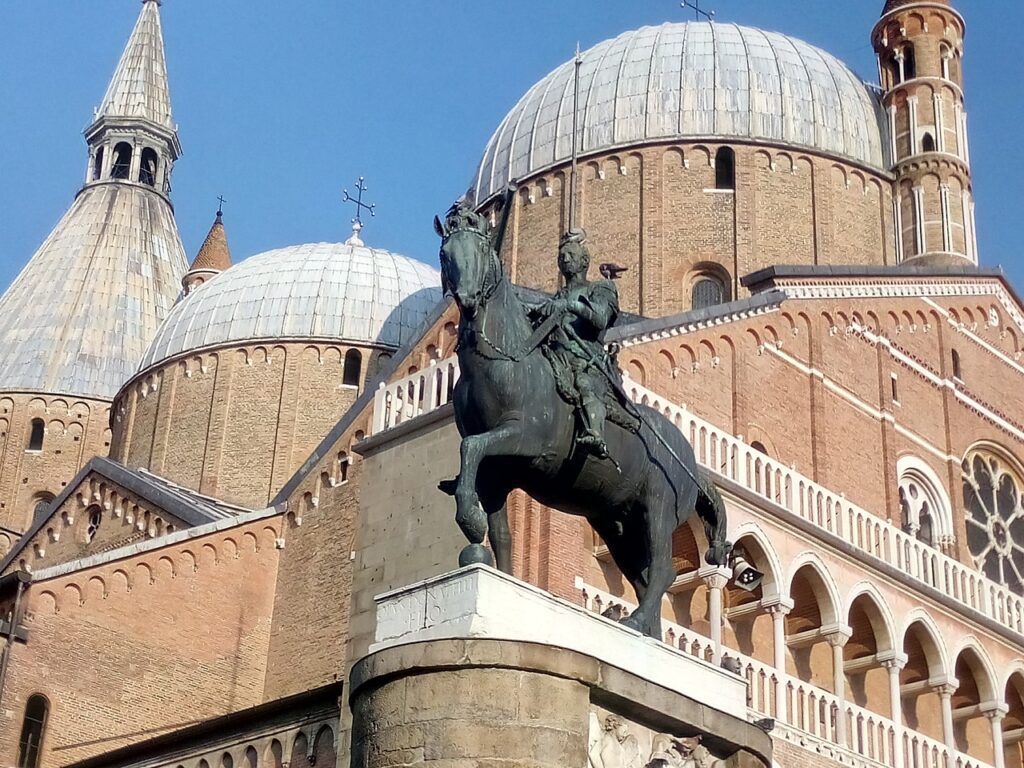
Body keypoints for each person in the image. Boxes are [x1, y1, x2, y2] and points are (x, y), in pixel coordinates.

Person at [536, 228, 620, 459]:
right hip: (557, 355)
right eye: (561, 256)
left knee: (584, 383)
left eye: (570, 255)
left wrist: (571, 306)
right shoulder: (557, 297)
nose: (564, 259)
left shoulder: (601, 288)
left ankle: (595, 433)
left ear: (584, 261)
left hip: (585, 358)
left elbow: (601, 318)